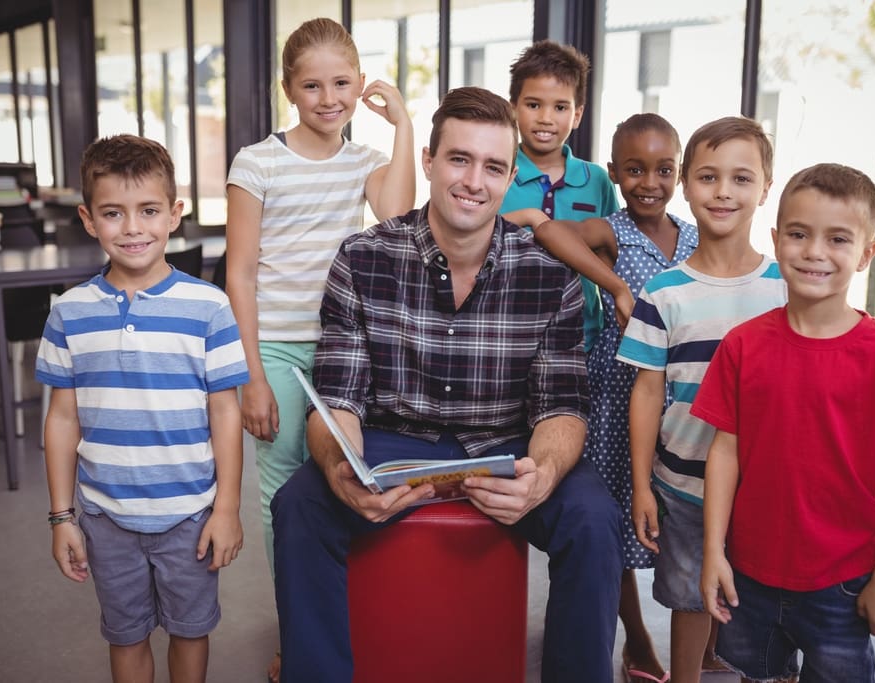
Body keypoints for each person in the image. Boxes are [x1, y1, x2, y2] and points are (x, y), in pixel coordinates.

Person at [270, 86, 624, 683]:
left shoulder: (550, 275)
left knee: (592, 516)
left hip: (506, 445)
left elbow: (562, 408)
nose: (473, 182)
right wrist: (339, 469)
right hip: (392, 443)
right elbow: (339, 398)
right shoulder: (362, 258)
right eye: (459, 159)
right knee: (300, 505)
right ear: (429, 159)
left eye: (492, 167)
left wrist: (540, 477)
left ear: (510, 176)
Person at [695, 163, 875, 682]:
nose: (814, 252)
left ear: (867, 253)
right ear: (776, 238)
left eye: (837, 239)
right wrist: (713, 551)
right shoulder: (742, 346)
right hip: (750, 575)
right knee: (755, 675)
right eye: (799, 234)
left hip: (845, 584)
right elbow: (724, 452)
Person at [224, 17, 414, 679]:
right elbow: (240, 272)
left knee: (342, 486)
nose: (328, 97)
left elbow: (396, 220)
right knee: (284, 500)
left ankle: (343, 620)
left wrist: (404, 125)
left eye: (341, 83)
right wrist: (250, 374)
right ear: (289, 89)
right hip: (273, 349)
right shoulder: (256, 161)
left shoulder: (365, 161)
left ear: (359, 84)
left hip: (342, 348)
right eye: (312, 85)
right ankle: (299, 637)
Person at [37, 134, 249, 683]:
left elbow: (225, 413)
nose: (132, 228)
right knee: (125, 635)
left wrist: (226, 508)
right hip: (106, 516)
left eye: (149, 211)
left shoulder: (209, 306)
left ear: (175, 214)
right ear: (89, 219)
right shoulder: (69, 312)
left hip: (189, 514)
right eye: (114, 213)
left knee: (190, 631)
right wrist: (62, 517)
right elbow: (62, 419)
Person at [615, 116, 787, 683]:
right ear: (686, 184)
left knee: (765, 606)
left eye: (741, 178)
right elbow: (646, 392)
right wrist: (641, 485)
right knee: (690, 600)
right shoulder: (662, 292)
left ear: (765, 188)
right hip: (683, 485)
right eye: (709, 177)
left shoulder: (788, 288)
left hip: (767, 490)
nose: (723, 191)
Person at [529, 113, 697, 682]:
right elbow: (547, 232)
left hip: (686, 402)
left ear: (681, 173)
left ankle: (708, 638)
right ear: (614, 173)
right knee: (618, 517)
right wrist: (616, 285)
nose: (649, 181)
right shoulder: (611, 232)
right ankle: (638, 640)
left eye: (663, 169)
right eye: (634, 169)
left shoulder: (697, 235)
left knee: (690, 518)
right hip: (617, 394)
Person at [499, 39, 620, 352]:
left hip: (584, 337)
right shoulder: (496, 172)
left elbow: (613, 253)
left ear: (577, 114)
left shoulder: (597, 181)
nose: (546, 118)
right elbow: (475, 233)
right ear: (513, 107)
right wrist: (527, 218)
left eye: (560, 107)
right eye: (534, 104)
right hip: (508, 333)